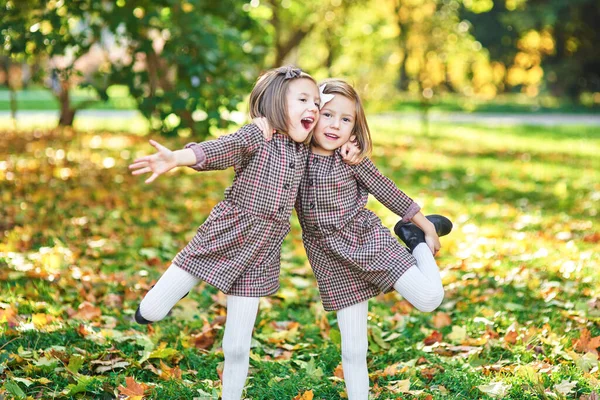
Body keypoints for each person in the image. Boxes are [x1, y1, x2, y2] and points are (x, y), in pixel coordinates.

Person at [128, 66, 326, 400]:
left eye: (317, 103)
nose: (313, 108)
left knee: (237, 343)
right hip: (228, 230)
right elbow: (220, 149)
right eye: (303, 99)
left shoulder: (307, 150)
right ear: (276, 104)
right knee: (154, 309)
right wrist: (177, 157)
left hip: (263, 250)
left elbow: (338, 137)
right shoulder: (256, 135)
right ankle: (155, 304)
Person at [254, 79, 452, 399]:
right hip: (330, 260)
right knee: (353, 349)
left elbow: (387, 191)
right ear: (311, 114)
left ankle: (412, 237)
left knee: (429, 298)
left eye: (346, 119)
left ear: (355, 127)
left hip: (366, 239)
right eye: (328, 115)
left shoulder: (351, 160)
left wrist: (425, 227)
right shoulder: (292, 159)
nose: (335, 125)